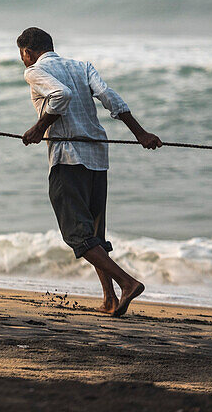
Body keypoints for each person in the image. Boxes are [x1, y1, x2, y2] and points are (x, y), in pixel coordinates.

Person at [17, 27, 161, 316]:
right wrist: (141, 134)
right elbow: (109, 97)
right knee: (95, 232)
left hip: (68, 157)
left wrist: (39, 127)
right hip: (97, 155)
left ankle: (127, 283)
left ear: (27, 53)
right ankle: (109, 299)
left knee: (78, 235)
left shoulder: (34, 71)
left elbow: (61, 95)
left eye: (22, 55)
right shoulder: (81, 66)